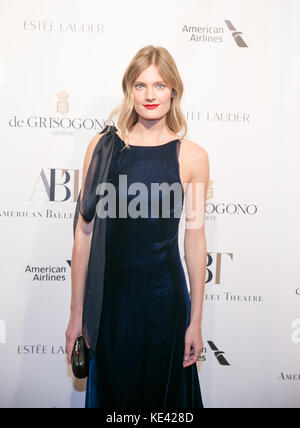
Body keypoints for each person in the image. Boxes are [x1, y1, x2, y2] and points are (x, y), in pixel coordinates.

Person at [65, 45, 209, 408]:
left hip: (166, 306)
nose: (150, 95)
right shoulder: (103, 147)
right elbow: (84, 234)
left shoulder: (192, 156)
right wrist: (76, 315)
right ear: (129, 89)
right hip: (110, 308)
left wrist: (196, 320)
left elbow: (194, 239)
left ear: (174, 90)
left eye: (160, 86)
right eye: (141, 85)